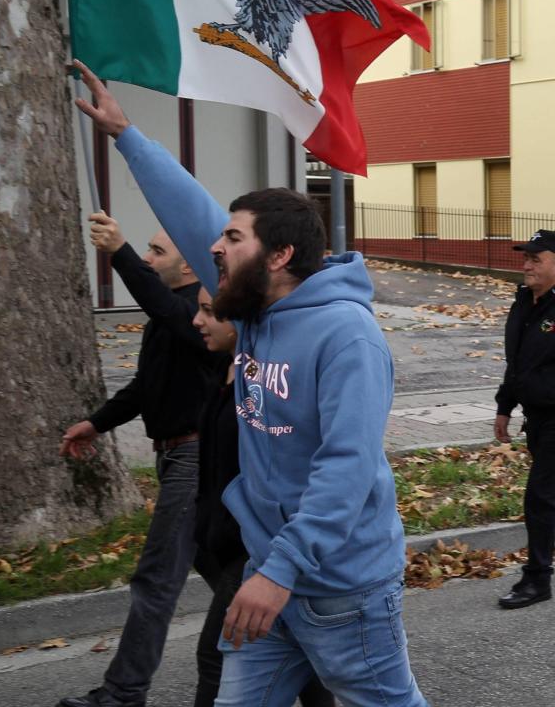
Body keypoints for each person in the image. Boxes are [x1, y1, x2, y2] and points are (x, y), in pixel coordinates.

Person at [74, 60, 428, 707]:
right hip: (269, 578)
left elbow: (346, 469)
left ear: (280, 255)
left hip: (341, 585)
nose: (214, 246)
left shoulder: (347, 336)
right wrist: (127, 135)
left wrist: (281, 573)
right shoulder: (257, 307)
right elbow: (191, 215)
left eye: (233, 238)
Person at [58, 214, 222, 707]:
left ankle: (122, 694)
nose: (149, 260)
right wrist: (96, 423)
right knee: (235, 582)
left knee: (155, 579)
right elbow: (144, 386)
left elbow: (164, 307)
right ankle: (300, 655)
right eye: (146, 252)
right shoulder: (168, 318)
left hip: (195, 461)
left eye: (157, 252)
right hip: (175, 459)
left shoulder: (200, 318)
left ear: (190, 268)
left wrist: (120, 252)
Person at [191, 288, 334, 707]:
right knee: (303, 659)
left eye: (207, 311)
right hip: (222, 547)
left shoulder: (267, 386)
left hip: (256, 549)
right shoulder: (224, 371)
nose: (197, 321)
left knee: (217, 655)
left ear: (239, 322)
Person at [495, 228, 555, 610]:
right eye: (526, 257)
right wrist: (504, 407)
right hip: (536, 417)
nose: (527, 264)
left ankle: (537, 579)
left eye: (537, 258)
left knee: (540, 496)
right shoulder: (524, 302)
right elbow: (516, 363)